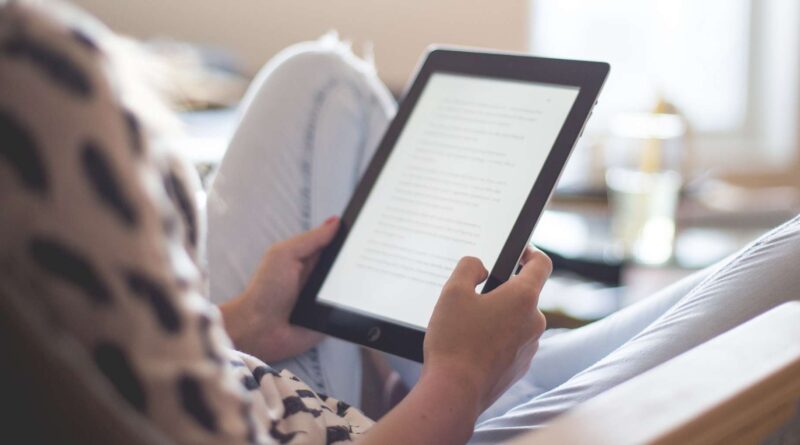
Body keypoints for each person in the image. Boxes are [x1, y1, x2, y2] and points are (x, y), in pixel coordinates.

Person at [1, 2, 798, 444]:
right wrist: (454, 385)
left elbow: (120, 362)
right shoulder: (36, 80)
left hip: (273, 383)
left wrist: (242, 319)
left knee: (322, 81)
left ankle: (448, 360)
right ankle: (468, 375)